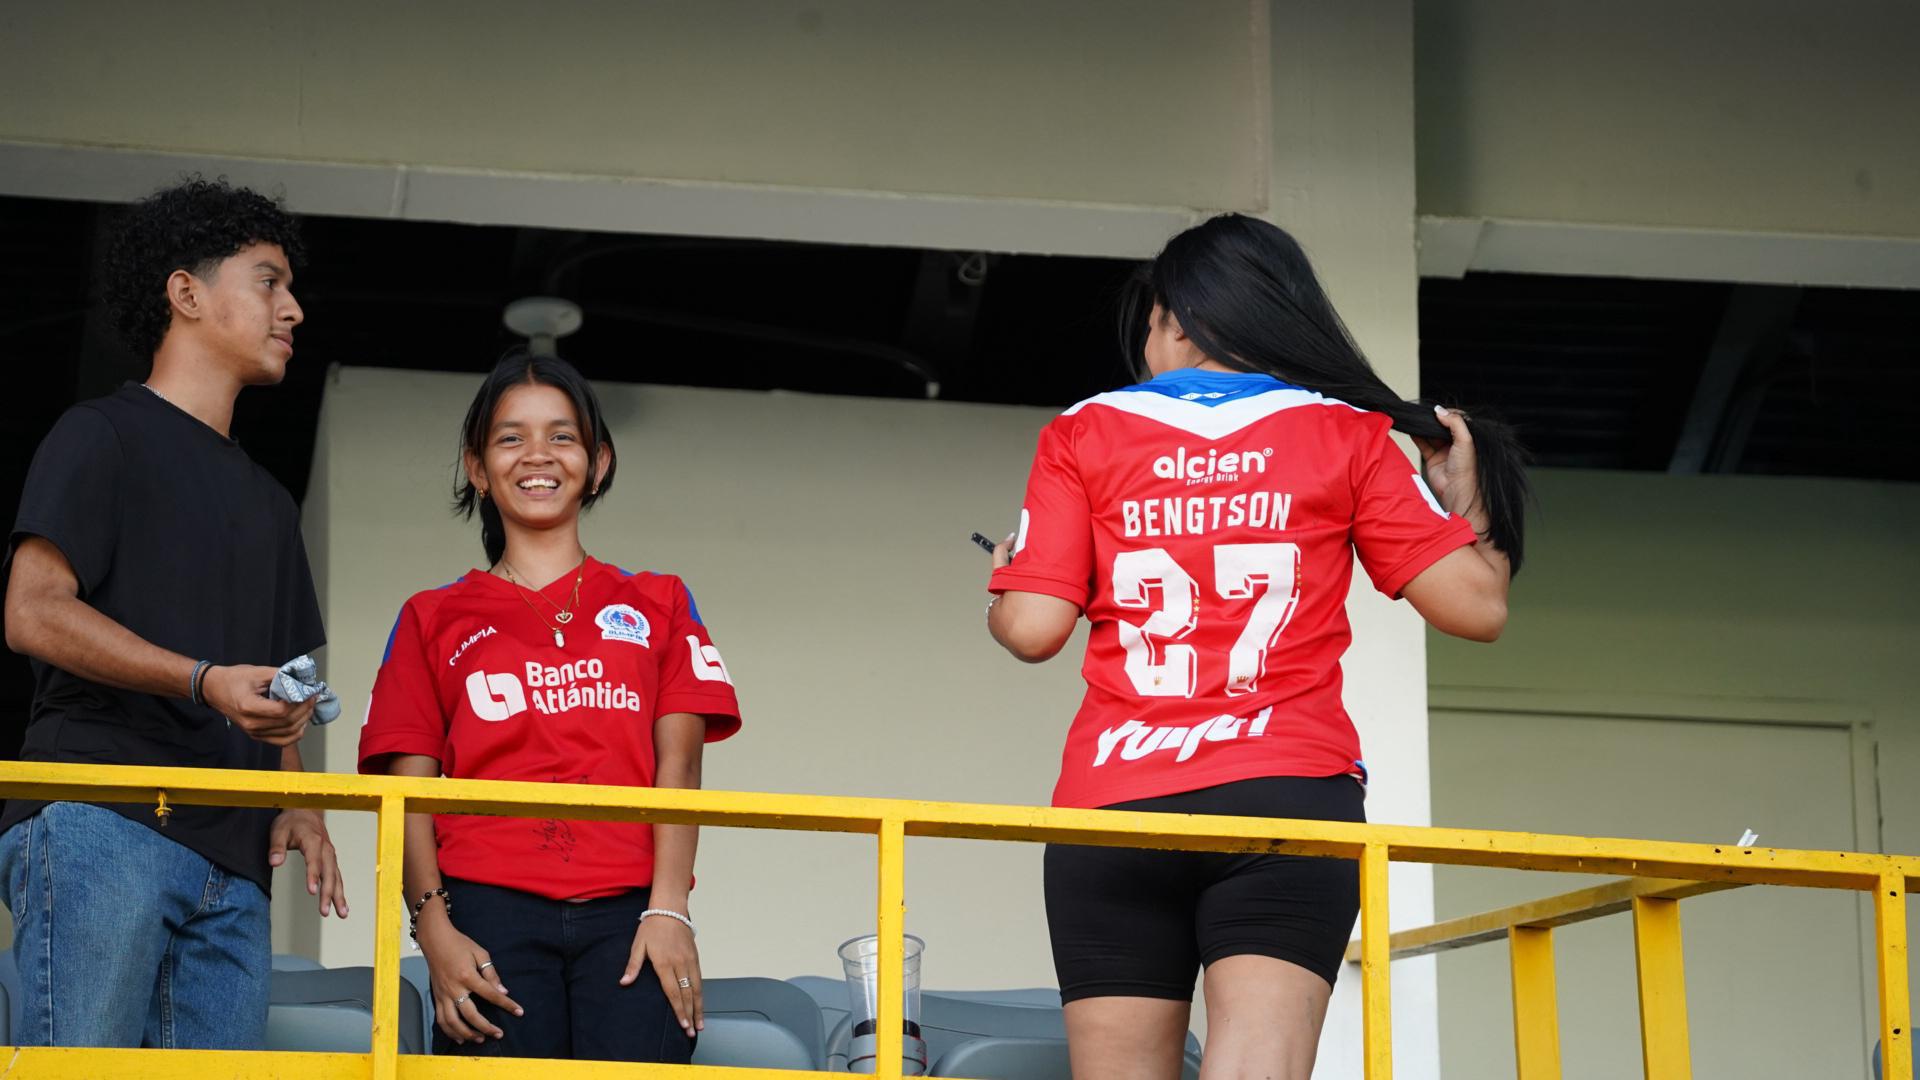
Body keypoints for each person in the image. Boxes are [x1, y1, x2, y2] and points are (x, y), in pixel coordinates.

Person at [984, 213, 1525, 1080]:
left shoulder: (1084, 430)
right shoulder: (1346, 433)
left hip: (1117, 801)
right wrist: (1467, 498)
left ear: (1178, 321)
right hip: (1288, 799)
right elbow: (1478, 607)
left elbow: (1033, 629)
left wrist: (1007, 580)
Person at [0, 178, 348, 1049]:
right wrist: (202, 680)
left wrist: (299, 799)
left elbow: (278, 682)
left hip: (234, 860)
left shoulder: (272, 503)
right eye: (268, 281)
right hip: (103, 819)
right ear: (186, 293)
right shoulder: (100, 433)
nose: (294, 309)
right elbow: (32, 613)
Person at [357, 352, 741, 1063]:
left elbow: (680, 767)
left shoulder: (658, 600)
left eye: (562, 436)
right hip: (485, 908)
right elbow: (406, 794)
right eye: (511, 438)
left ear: (598, 463)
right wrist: (433, 930)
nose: (538, 455)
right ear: (478, 468)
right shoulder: (431, 616)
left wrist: (669, 908)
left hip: (632, 909)